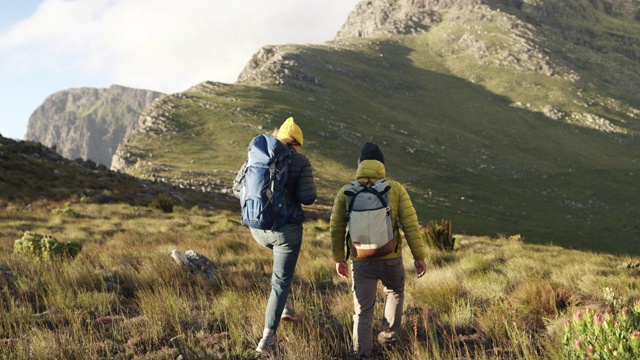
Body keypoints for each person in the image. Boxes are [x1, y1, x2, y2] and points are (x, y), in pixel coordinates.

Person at [330, 142, 427, 359]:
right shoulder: (396, 189)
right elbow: (410, 225)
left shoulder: (346, 192)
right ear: (381, 165)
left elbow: (336, 229)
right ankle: (388, 340)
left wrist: (340, 258)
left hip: (360, 260)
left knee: (363, 310)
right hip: (390, 257)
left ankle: (362, 352)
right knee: (394, 293)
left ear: (359, 164)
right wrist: (418, 257)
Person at [233, 117, 317, 356]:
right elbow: (308, 197)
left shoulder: (258, 155)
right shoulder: (300, 161)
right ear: (297, 143)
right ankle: (267, 339)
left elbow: (236, 187)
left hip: (258, 229)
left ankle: (287, 307)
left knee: (283, 270)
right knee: (279, 281)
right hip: (286, 232)